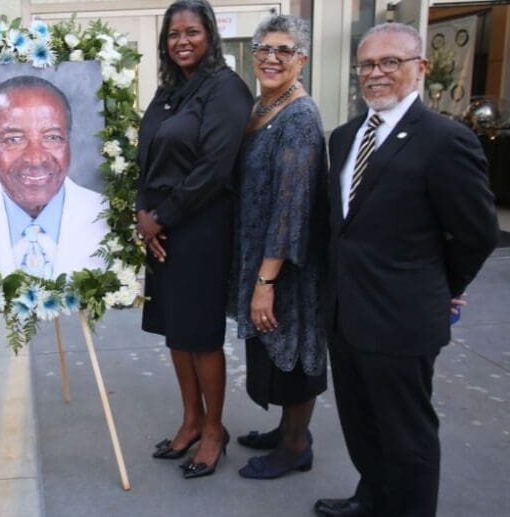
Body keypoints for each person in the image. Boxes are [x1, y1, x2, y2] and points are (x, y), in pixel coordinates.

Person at [315, 23, 497, 517]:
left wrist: (442, 286)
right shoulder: (345, 137)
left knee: (407, 437)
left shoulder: (444, 140)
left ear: (418, 69)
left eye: (389, 62)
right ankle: (371, 498)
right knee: (361, 424)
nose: (376, 73)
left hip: (402, 318)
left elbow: (477, 233)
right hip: (345, 315)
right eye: (367, 64)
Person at [136, 0, 252, 479]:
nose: (181, 41)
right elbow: (146, 156)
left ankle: (213, 431)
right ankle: (190, 421)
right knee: (176, 331)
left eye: (192, 32)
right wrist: (144, 214)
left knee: (201, 336)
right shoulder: (168, 92)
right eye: (173, 34)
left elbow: (214, 168)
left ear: (210, 36)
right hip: (161, 227)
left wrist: (162, 216)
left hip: (201, 226)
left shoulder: (226, 89)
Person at [228, 15, 328, 480]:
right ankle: (285, 429)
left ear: (301, 60)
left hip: (286, 263)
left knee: (292, 348)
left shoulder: (300, 119)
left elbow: (292, 207)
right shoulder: (261, 106)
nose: (271, 58)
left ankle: (295, 445)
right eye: (264, 49)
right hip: (261, 253)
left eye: (283, 51)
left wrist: (266, 280)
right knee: (272, 348)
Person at [0, 75, 108, 281]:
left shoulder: (109, 218)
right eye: (14, 139)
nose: (35, 159)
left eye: (52, 137)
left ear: (69, 140)